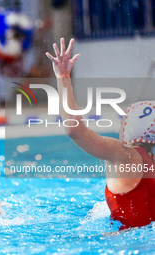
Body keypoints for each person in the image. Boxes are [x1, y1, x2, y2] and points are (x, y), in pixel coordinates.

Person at [46, 38, 155, 230]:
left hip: (128, 245)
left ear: (129, 128)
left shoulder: (125, 157)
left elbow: (74, 130)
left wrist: (63, 78)